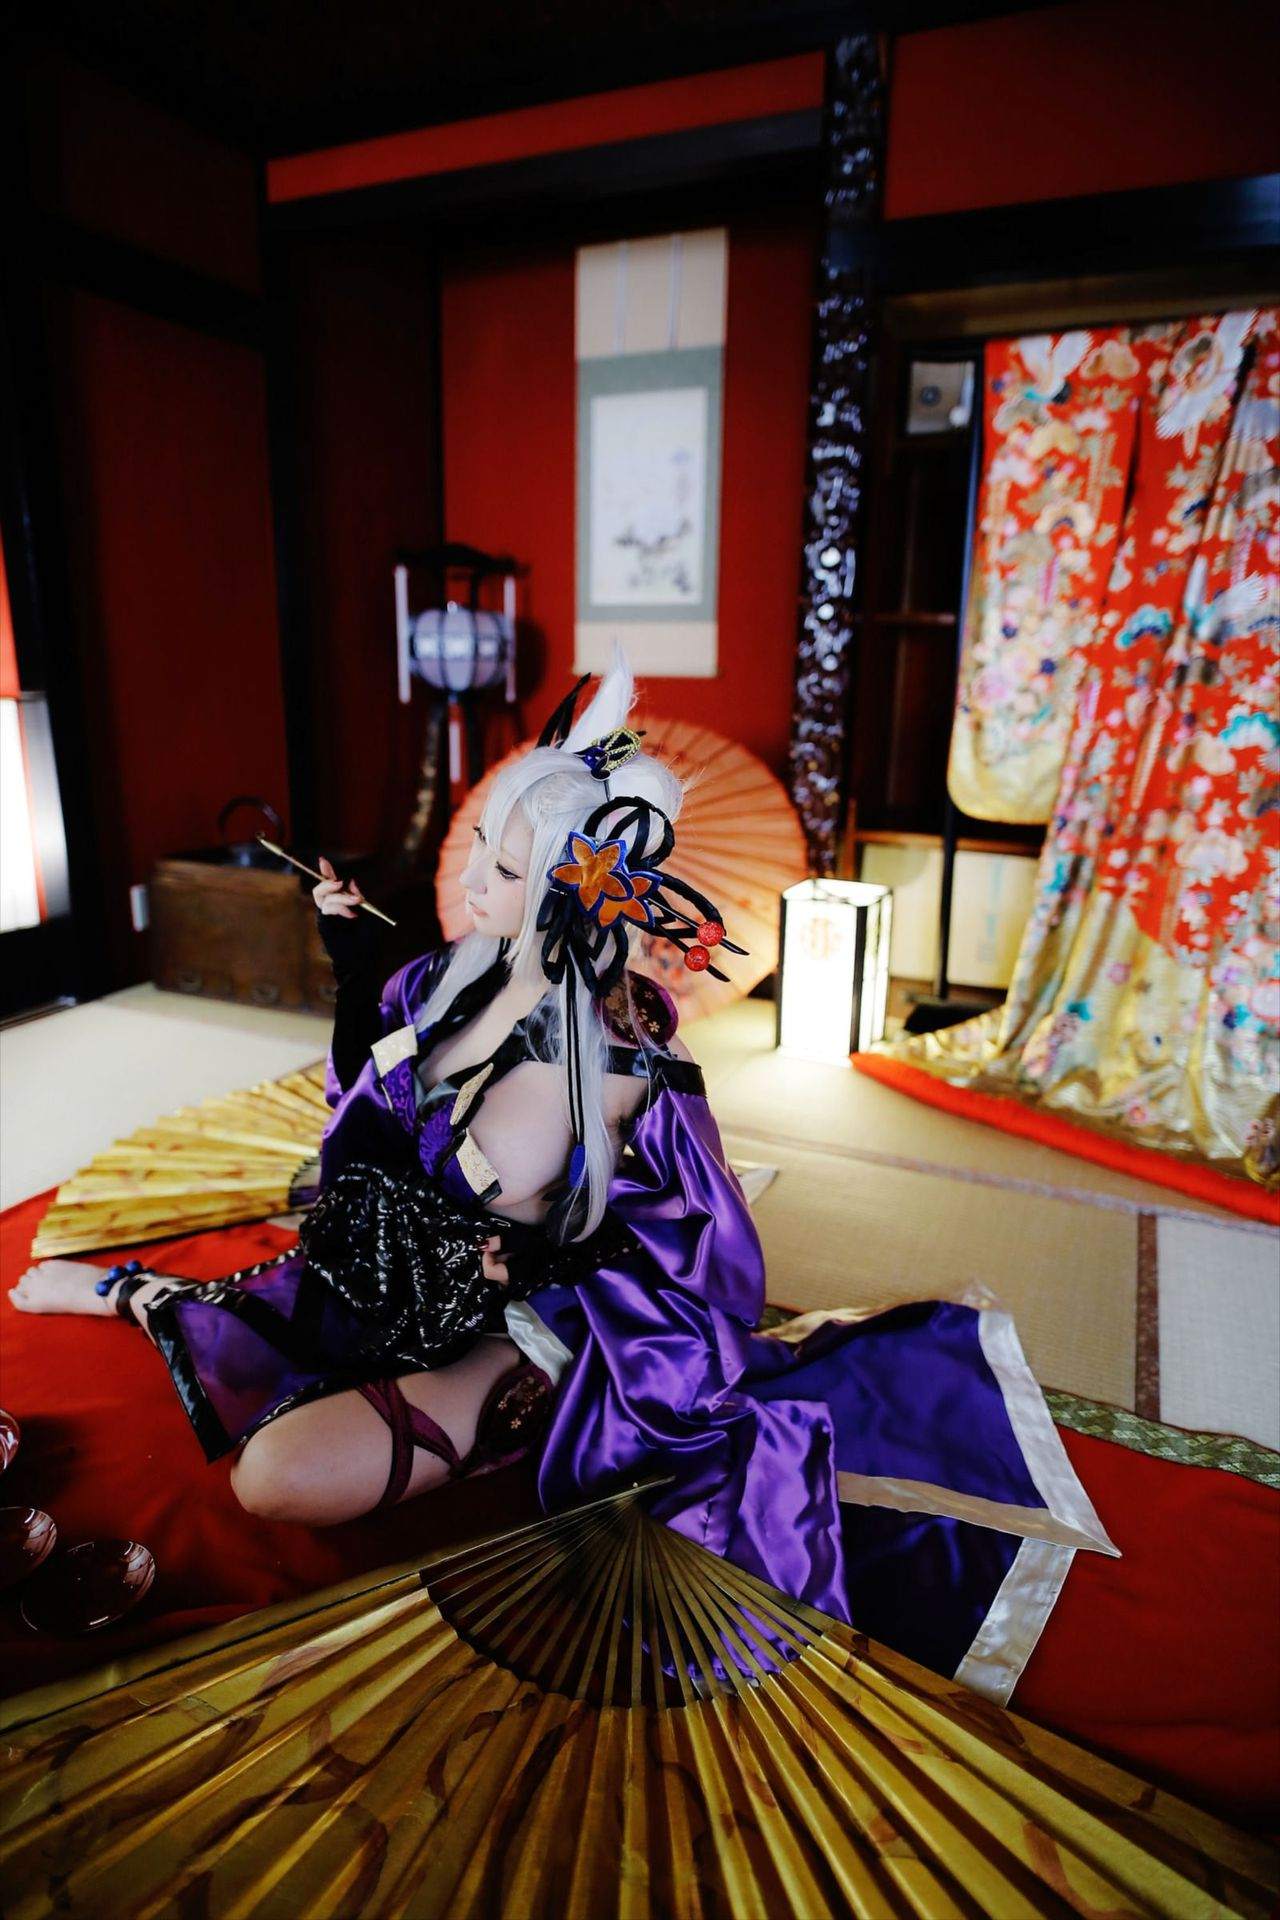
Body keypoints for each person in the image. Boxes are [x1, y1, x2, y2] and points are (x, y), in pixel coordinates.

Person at [9, 650, 1117, 1702]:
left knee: (272, 1478)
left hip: (507, 1329)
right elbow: (366, 1097)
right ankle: (129, 1291)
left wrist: (542, 1262)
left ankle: (508, 1429)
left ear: (568, 892)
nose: (473, 878)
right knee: (265, 1336)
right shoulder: (444, 977)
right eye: (482, 847)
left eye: (503, 867)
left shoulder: (625, 1057)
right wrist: (351, 966)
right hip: (378, 1269)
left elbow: (700, 1241)